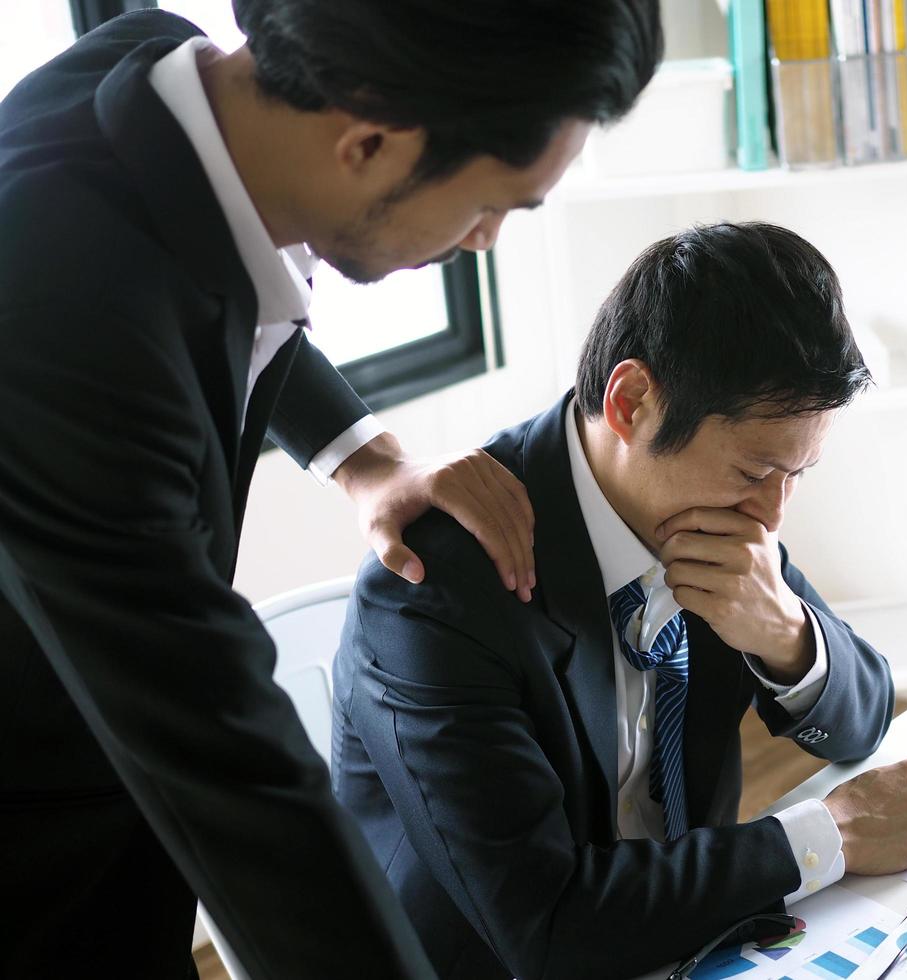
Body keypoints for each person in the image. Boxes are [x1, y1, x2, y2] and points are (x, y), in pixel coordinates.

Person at [0, 2, 660, 977]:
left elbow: (226, 281)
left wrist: (366, 456)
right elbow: (236, 771)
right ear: (371, 138)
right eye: (494, 206)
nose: (483, 241)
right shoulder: (64, 307)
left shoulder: (158, 73)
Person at [333, 222, 907, 980]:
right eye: (757, 471)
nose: (774, 514)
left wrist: (786, 632)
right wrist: (829, 834)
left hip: (690, 938)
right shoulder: (433, 597)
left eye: (798, 474)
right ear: (630, 403)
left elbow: (862, 717)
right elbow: (547, 928)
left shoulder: (721, 515)